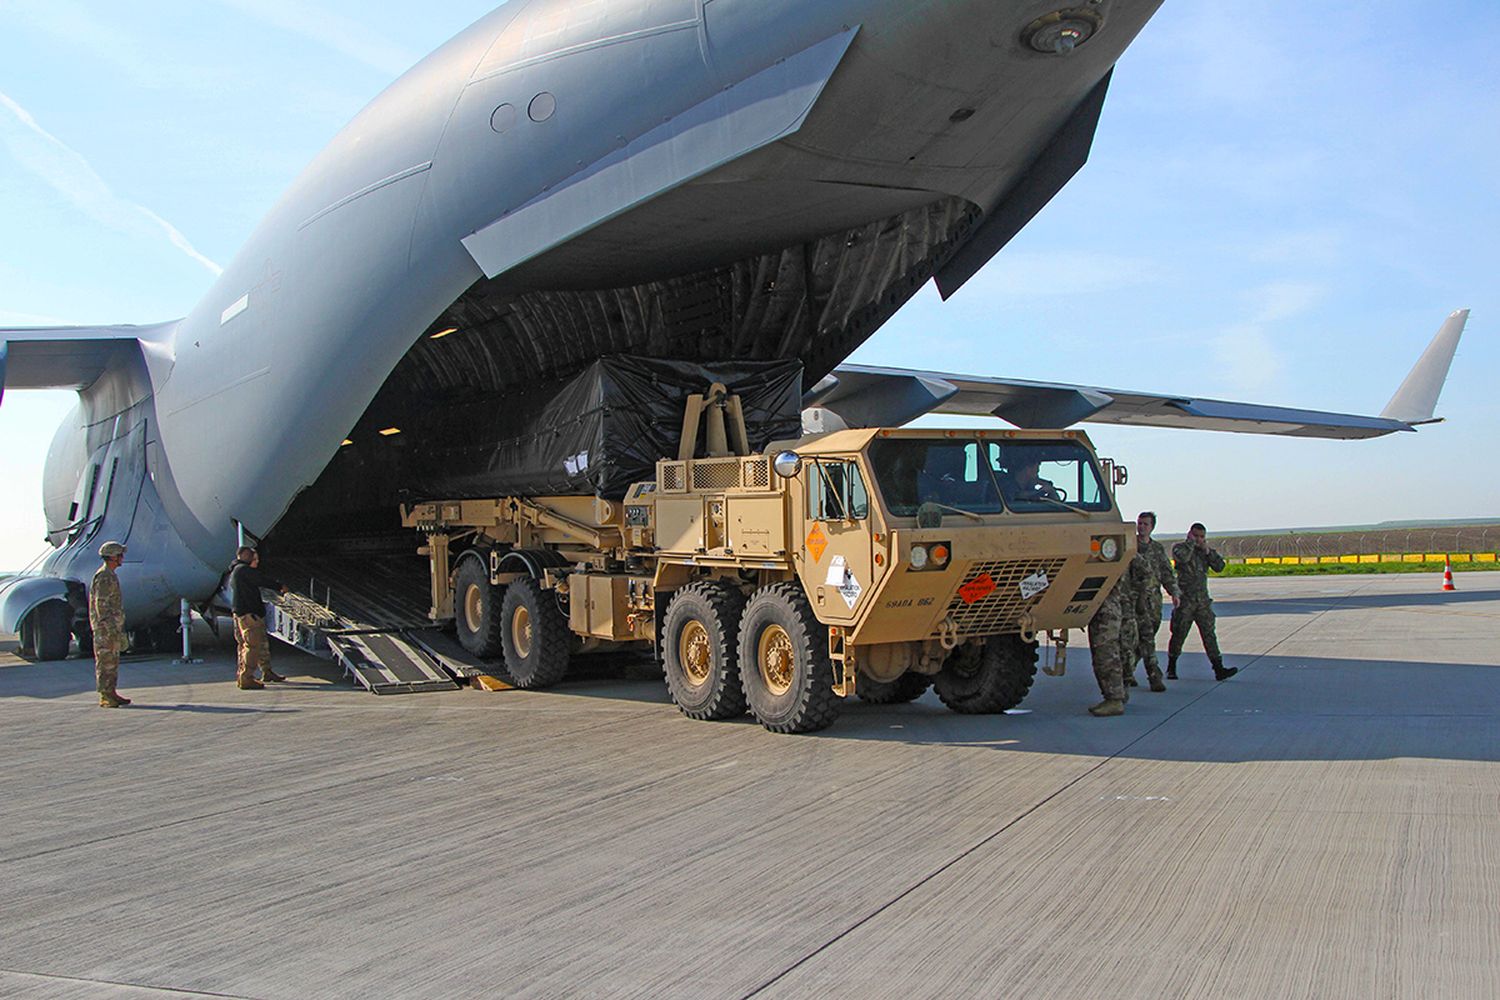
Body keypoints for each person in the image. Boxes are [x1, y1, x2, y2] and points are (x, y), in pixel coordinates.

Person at [1168, 523, 1237, 681]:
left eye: (1201, 537)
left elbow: (1220, 566)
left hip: (1202, 602)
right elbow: (1182, 558)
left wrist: (1208, 552)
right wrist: (1191, 544)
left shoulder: (1204, 552)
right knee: (1179, 634)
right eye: (1196, 536)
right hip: (1185, 601)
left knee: (1209, 635)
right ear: (1189, 535)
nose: (1199, 540)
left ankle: (1218, 668)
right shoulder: (1180, 548)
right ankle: (1171, 666)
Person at [1128, 511, 1179, 691]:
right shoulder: (1129, 546)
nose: (1141, 527)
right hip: (1133, 600)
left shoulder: (1156, 549)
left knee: (1148, 636)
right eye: (1139, 523)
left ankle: (1128, 670)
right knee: (1139, 638)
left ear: (1152, 527)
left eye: (1145, 524)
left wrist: (1174, 592)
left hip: (1153, 601)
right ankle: (1153, 676)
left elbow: (1166, 572)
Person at [228, 546, 289, 689]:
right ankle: (246, 678)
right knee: (252, 646)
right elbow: (262, 580)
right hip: (250, 615)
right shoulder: (244, 571)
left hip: (242, 614)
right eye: (255, 560)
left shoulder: (236, 571)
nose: (257, 562)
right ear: (249, 559)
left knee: (254, 644)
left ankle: (265, 671)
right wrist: (280, 586)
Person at [89, 541, 132, 708]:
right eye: (120, 555)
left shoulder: (110, 575)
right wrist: (111, 628)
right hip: (105, 629)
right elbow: (102, 606)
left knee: (112, 661)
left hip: (111, 628)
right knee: (105, 661)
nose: (122, 558)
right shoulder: (104, 577)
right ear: (113, 557)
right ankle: (105, 695)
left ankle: (111, 692)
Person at [1085, 579, 1129, 716]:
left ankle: (1114, 700)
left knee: (1106, 655)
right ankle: (1119, 693)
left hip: (1105, 612)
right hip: (1107, 609)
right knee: (1113, 652)